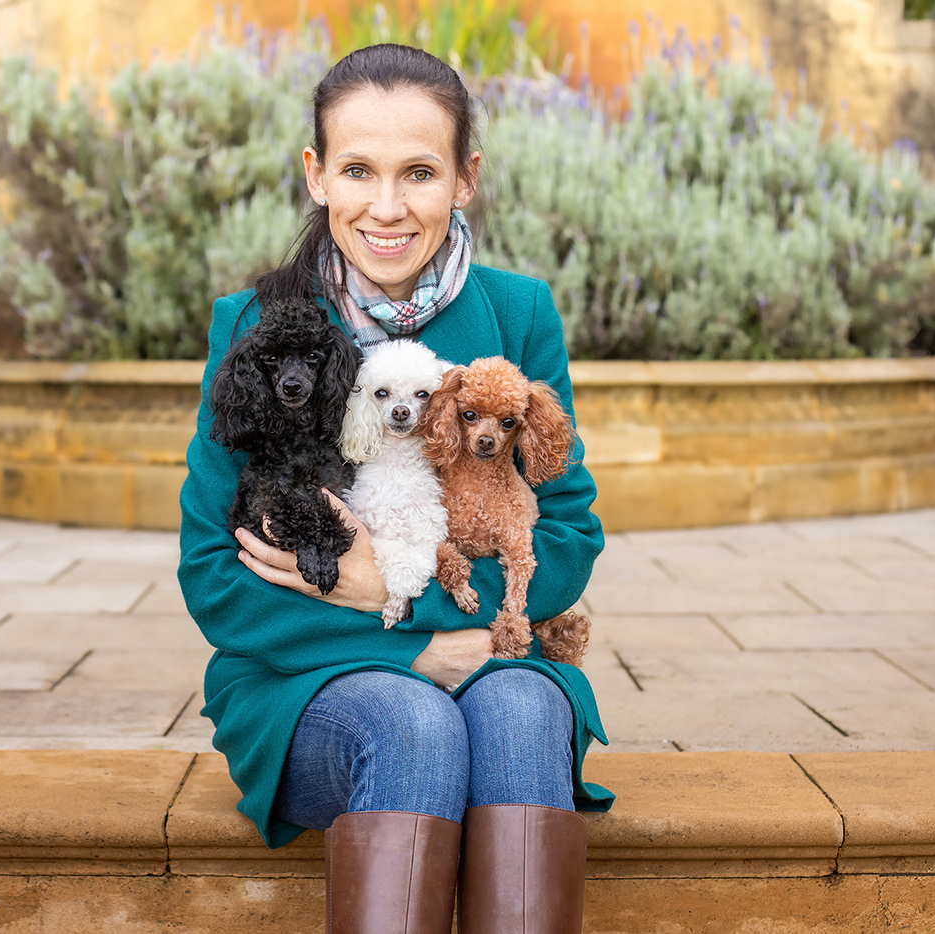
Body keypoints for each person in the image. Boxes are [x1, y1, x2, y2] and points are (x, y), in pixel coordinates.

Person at [177, 42, 613, 934]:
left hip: (486, 649)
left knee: (526, 705)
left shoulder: (519, 313)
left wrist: (415, 605)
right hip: (305, 681)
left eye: (419, 172)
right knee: (413, 724)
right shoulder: (253, 327)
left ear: (465, 178)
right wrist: (401, 632)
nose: (386, 207)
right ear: (316, 176)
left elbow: (567, 531)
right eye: (357, 171)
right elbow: (213, 579)